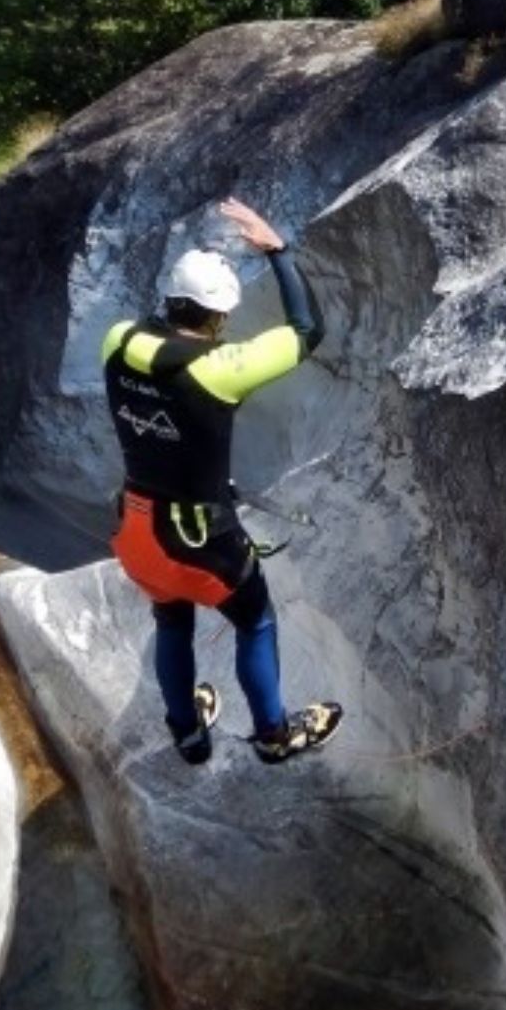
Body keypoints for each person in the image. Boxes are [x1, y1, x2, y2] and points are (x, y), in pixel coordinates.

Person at [103, 196, 341, 765]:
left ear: (171, 300)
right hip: (202, 541)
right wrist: (277, 251)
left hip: (137, 530)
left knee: (172, 622)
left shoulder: (116, 342)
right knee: (255, 622)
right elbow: (307, 329)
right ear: (217, 316)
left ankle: (187, 734)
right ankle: (273, 735)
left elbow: (157, 379)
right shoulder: (218, 369)